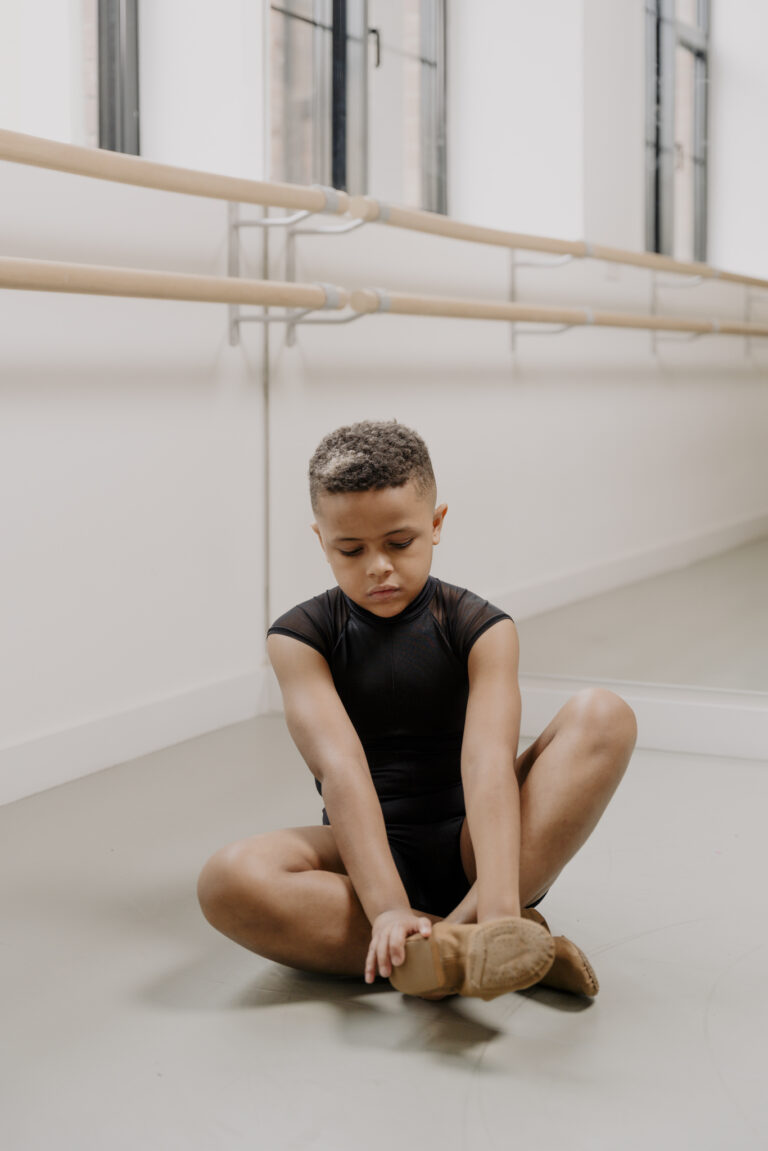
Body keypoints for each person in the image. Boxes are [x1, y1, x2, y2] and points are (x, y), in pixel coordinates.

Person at [197, 420, 637, 1000]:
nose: (377, 566)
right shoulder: (299, 638)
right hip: (366, 858)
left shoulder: (482, 628)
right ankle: (476, 948)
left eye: (399, 543)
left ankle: (487, 936)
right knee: (227, 880)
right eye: (350, 550)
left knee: (603, 714)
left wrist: (503, 906)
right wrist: (385, 908)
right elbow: (341, 772)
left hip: (479, 852)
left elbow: (487, 765)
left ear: (436, 526)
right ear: (321, 539)